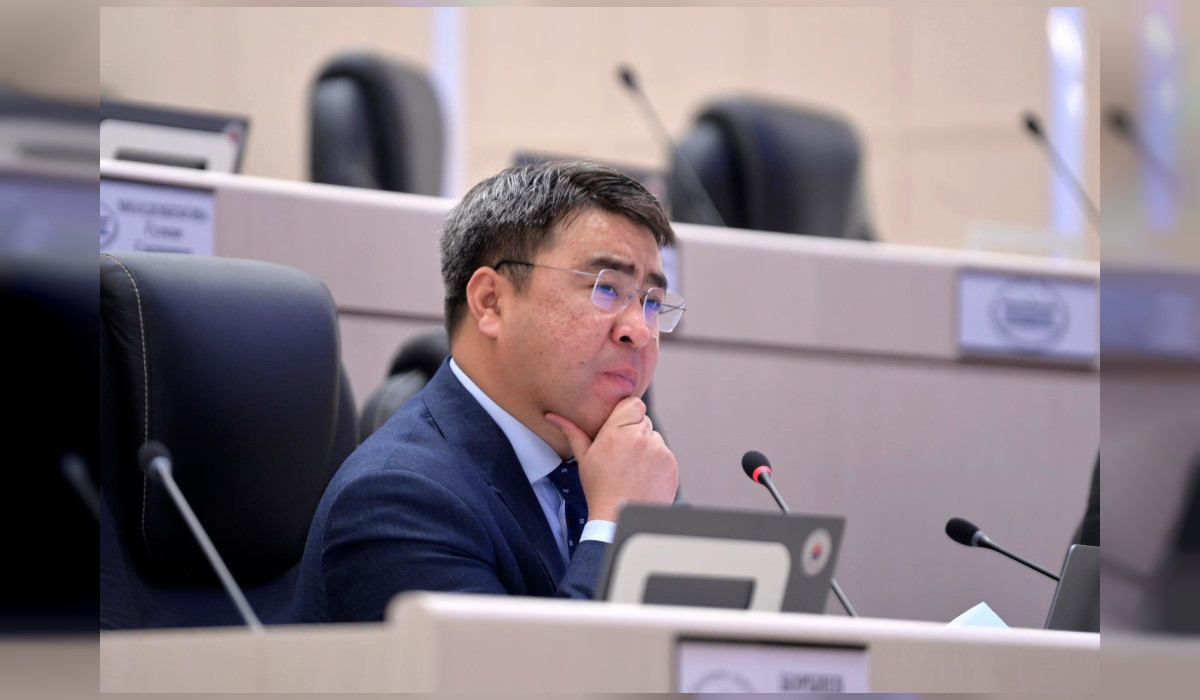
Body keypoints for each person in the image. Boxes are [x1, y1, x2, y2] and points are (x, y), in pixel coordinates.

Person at [293, 161, 684, 623]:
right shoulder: (396, 498)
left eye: (652, 302)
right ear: (491, 302)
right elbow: (528, 669)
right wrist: (618, 524)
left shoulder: (626, 466)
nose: (640, 330)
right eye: (607, 288)